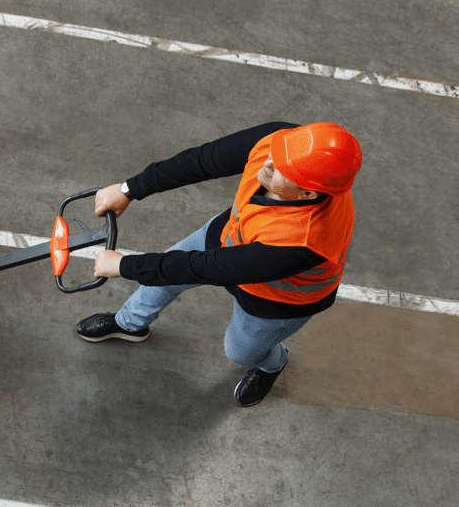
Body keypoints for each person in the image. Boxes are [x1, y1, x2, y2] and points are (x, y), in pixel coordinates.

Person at [77, 121, 362, 407]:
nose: (268, 162)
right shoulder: (285, 143)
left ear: (306, 194)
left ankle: (272, 364)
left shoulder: (303, 242)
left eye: (281, 170)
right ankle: (130, 324)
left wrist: (124, 266)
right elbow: (202, 161)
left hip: (279, 296)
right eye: (275, 153)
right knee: (159, 278)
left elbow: (204, 267)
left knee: (241, 352)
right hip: (231, 235)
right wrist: (129, 189)